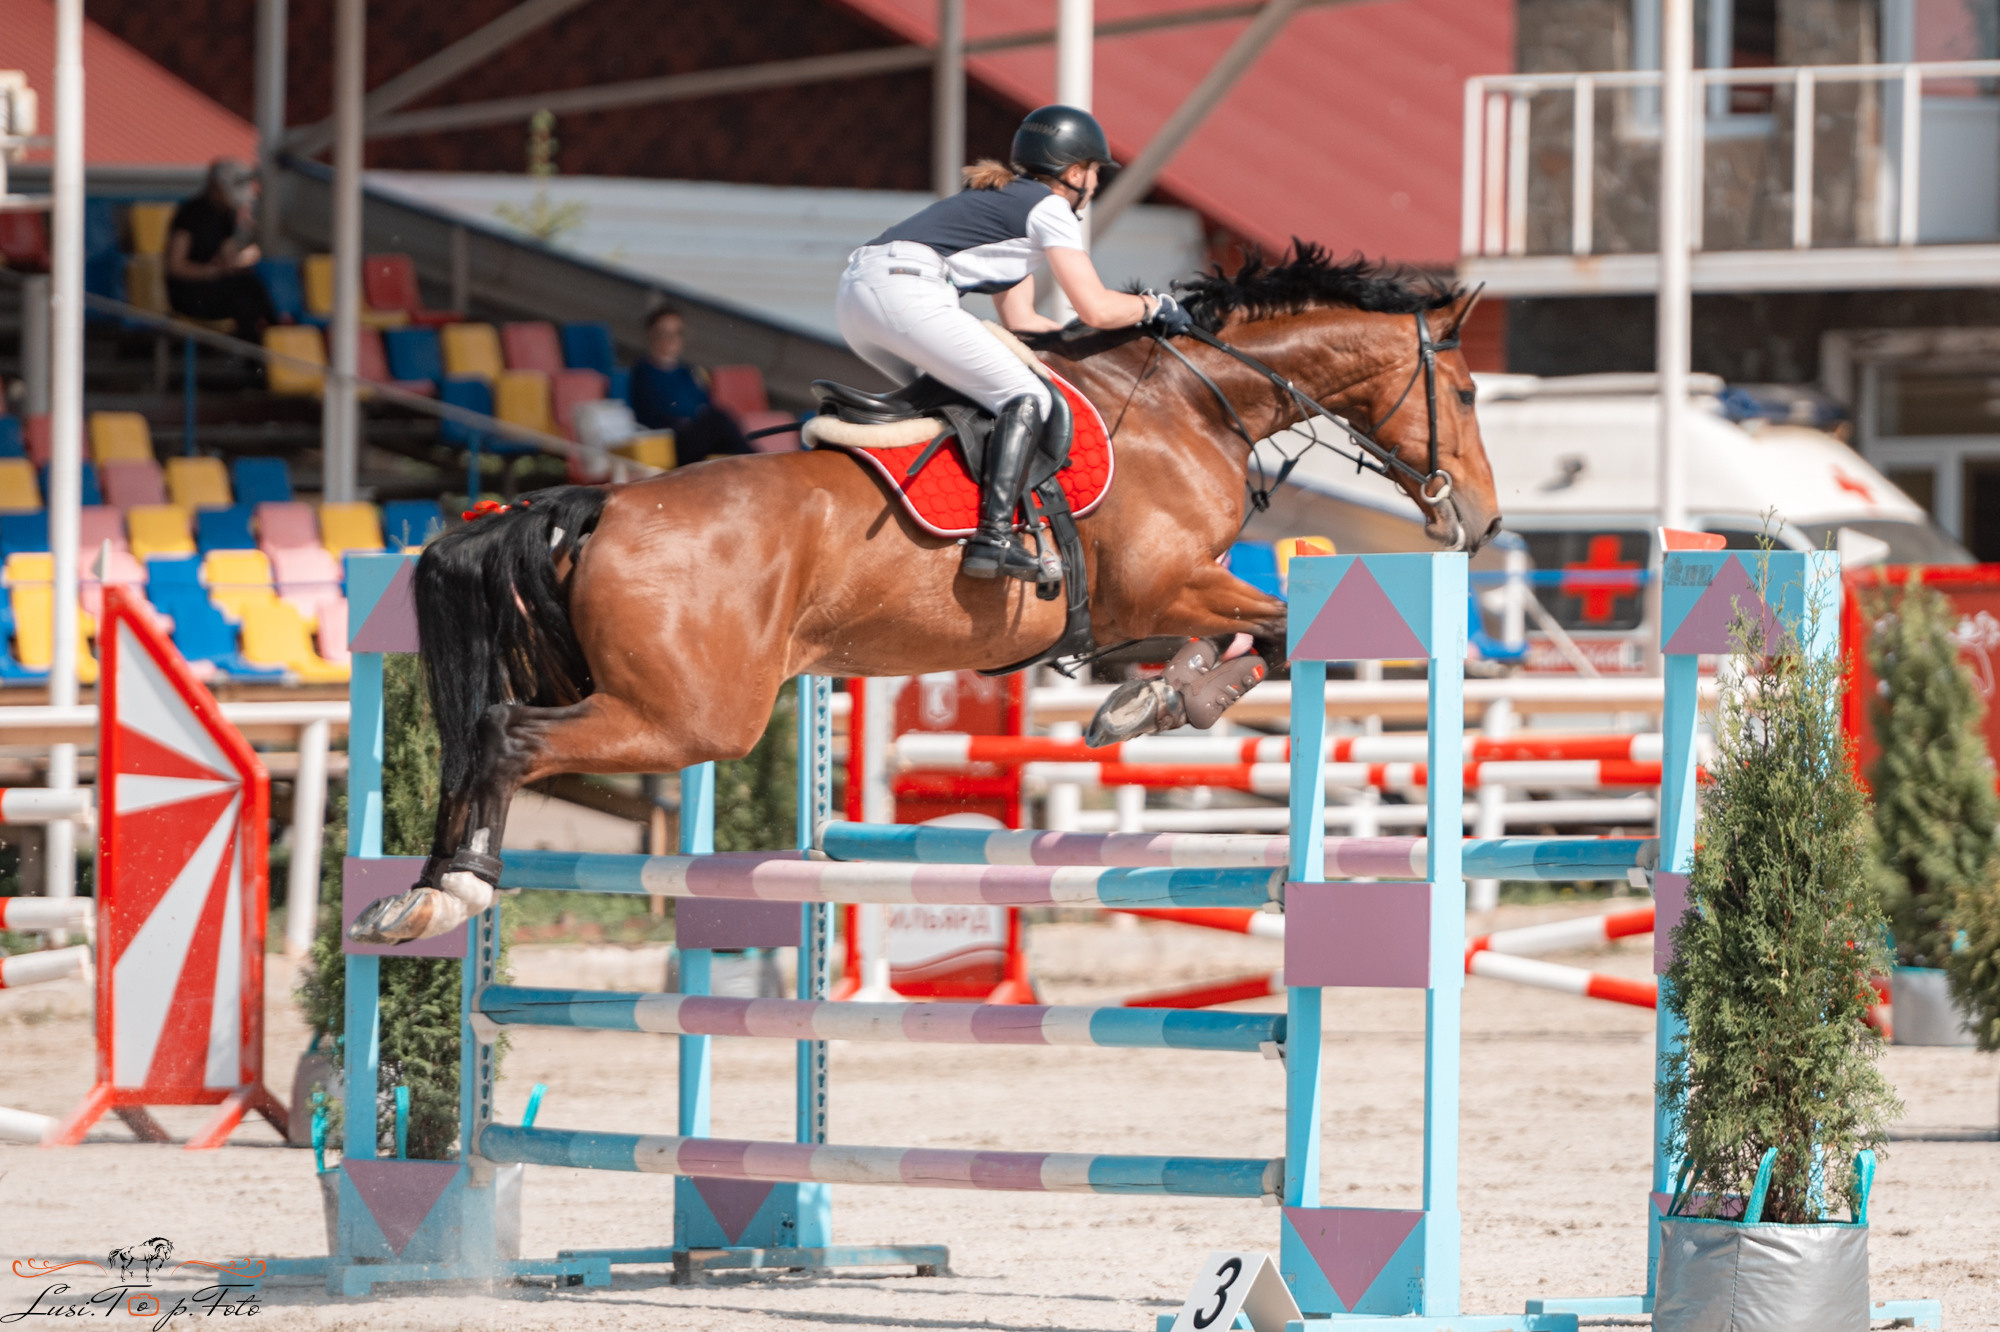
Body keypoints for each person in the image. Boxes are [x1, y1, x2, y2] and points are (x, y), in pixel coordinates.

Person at [835, 104, 1192, 581]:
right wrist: (1153, 308)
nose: (1095, 185)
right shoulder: (1050, 208)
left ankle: (938, 517)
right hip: (906, 293)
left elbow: (1025, 322)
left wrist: (1103, 345)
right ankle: (994, 537)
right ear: (1074, 172)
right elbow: (1097, 309)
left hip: (860, 300)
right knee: (1026, 396)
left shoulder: (1004, 205)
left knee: (961, 402)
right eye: (1094, 172)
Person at [626, 304, 752, 466]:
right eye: (664, 333)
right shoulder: (643, 372)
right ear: (652, 335)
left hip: (695, 436)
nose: (671, 339)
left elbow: (705, 403)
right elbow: (658, 413)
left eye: (677, 333)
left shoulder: (688, 372)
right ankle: (757, 462)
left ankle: (753, 463)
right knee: (719, 420)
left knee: (722, 423)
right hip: (670, 442)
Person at [165, 158, 277, 338]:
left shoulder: (225, 216)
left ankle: (274, 340)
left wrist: (251, 248)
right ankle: (254, 357)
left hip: (213, 287)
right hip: (188, 293)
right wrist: (211, 272)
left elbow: (229, 258)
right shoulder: (190, 214)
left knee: (253, 287)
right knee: (243, 297)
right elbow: (175, 266)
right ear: (215, 187)